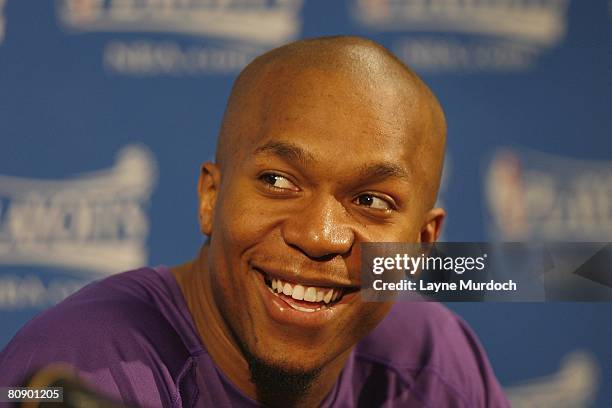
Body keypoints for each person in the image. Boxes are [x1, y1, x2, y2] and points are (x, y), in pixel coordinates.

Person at [0, 36, 509, 407]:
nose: (317, 236)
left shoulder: (433, 361)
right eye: (277, 182)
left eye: (372, 201)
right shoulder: (83, 362)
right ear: (210, 197)